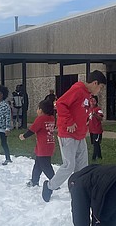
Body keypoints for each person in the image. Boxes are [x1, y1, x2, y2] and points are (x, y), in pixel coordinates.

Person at [41, 70, 106, 202]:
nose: (100, 90)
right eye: (101, 87)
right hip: (68, 134)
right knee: (69, 165)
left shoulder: (87, 95)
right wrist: (69, 122)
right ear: (95, 83)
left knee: (82, 166)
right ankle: (49, 186)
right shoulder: (77, 89)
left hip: (80, 135)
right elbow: (60, 104)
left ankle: (79, 189)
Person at [20, 99, 57, 186]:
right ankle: (34, 180)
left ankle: (55, 182)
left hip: (43, 146)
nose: (37, 110)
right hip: (49, 144)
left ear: (41, 110)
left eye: (38, 108)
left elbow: (32, 130)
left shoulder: (40, 119)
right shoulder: (51, 118)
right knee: (38, 164)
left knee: (45, 166)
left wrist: (24, 136)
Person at [87, 94, 104, 161]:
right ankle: (99, 156)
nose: (92, 102)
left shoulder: (98, 109)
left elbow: (101, 118)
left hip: (97, 130)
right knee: (95, 143)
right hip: (91, 129)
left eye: (94, 101)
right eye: (91, 101)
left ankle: (94, 157)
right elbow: (89, 119)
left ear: (96, 102)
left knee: (96, 144)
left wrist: (95, 115)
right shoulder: (89, 109)